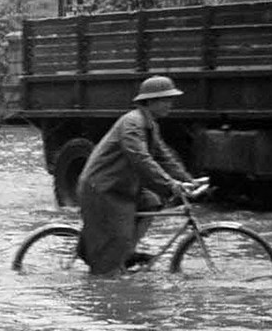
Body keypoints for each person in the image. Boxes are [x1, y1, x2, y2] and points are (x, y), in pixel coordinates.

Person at [76, 75, 202, 276]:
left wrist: (188, 180)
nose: (170, 104)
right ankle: (106, 277)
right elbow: (140, 158)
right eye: (166, 100)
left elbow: (164, 157)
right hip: (103, 188)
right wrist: (170, 184)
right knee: (118, 240)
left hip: (123, 186)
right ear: (151, 101)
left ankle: (126, 254)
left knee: (151, 202)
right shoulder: (133, 123)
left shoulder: (150, 124)